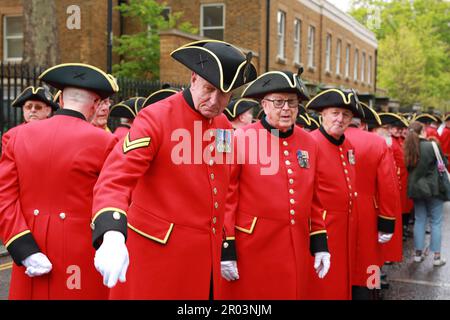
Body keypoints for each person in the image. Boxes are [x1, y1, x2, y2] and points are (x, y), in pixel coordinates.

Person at [90, 40, 257, 299]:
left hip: (206, 257)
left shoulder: (223, 124)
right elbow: (115, 178)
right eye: (209, 89)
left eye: (224, 94)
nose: (214, 100)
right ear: (193, 78)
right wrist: (111, 233)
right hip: (158, 256)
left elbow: (221, 182)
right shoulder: (156, 117)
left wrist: (226, 243)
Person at [0, 63, 119, 299]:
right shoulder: (105, 142)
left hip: (30, 246)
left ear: (61, 100)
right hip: (82, 248)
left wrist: (23, 248)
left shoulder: (15, 136)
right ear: (95, 105)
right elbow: (111, 197)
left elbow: (5, 197)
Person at [218, 70, 330, 299]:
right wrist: (226, 246)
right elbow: (226, 197)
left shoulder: (309, 142)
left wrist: (320, 243)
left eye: (292, 102)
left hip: (294, 244)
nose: (286, 108)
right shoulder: (239, 138)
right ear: (264, 105)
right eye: (278, 102)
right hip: (252, 245)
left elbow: (315, 198)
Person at [304, 88, 362, 300]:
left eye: (346, 115)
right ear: (323, 114)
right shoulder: (309, 143)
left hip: (345, 228)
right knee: (322, 286)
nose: (340, 119)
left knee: (341, 283)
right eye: (335, 113)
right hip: (322, 228)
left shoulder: (348, 145)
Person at [345, 105, 398, 300]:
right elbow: (388, 186)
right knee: (370, 262)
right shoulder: (377, 142)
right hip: (368, 211)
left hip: (331, 213)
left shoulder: (319, 138)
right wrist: (386, 222)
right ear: (364, 124)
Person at [404, 121, 447, 266]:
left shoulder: (408, 147)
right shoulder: (431, 145)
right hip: (434, 188)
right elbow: (444, 163)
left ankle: (417, 254)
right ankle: (436, 257)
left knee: (419, 220)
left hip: (416, 189)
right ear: (422, 131)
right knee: (436, 222)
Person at [1, 86, 59, 152]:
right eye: (28, 107)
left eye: (38, 107)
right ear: (23, 109)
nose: (33, 110)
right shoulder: (11, 135)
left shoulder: (57, 134)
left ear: (48, 111)